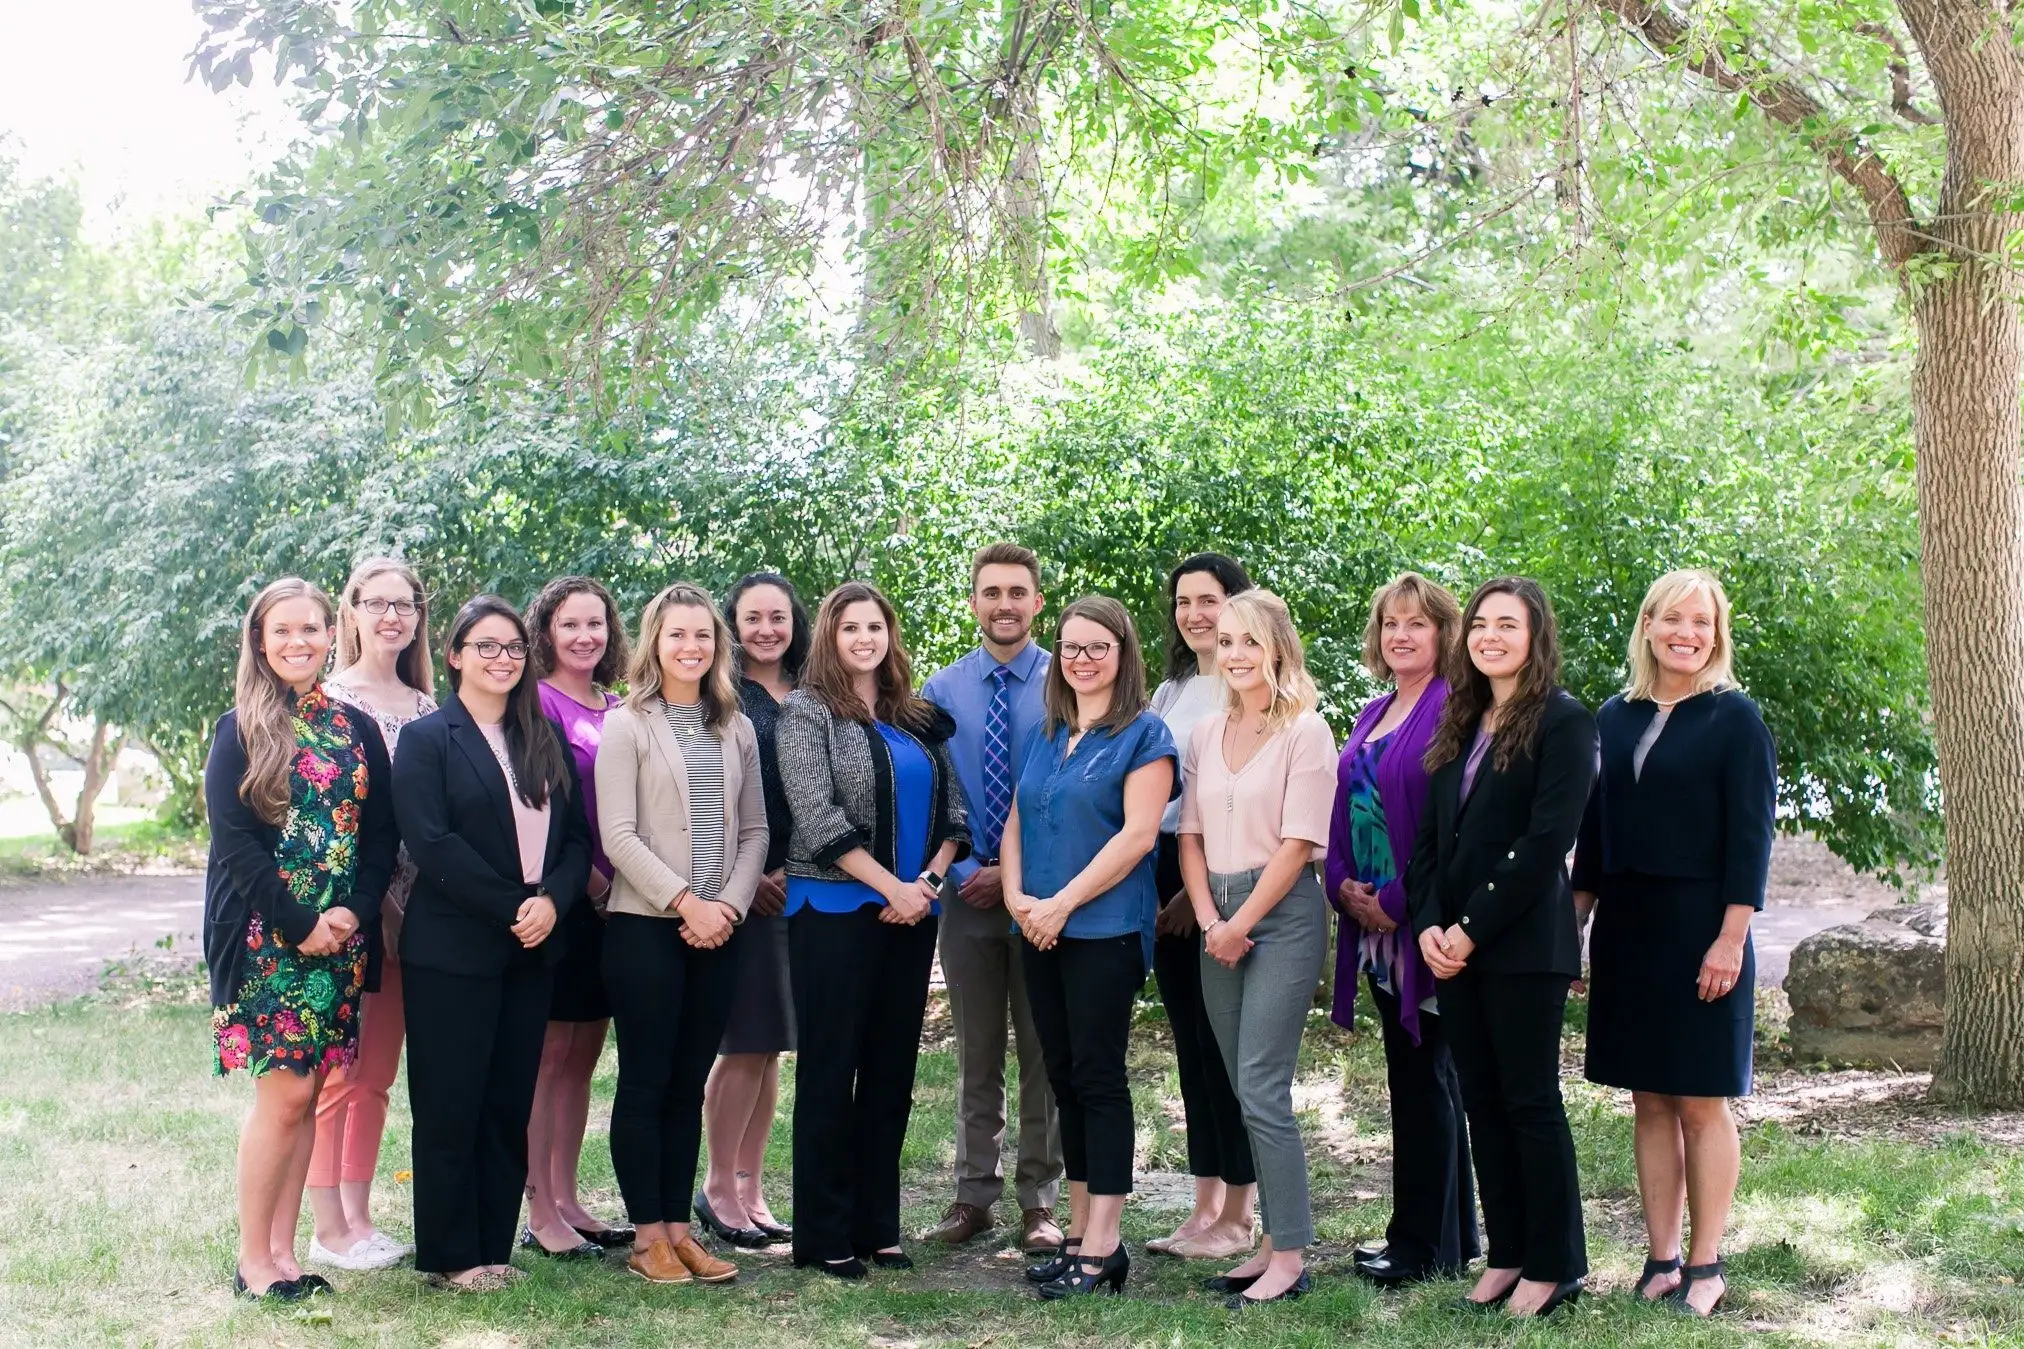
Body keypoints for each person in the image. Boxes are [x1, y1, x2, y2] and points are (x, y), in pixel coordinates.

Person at [1573, 569, 1774, 1317]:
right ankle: (1660, 1259)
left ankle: (1707, 1263)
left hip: (1704, 927)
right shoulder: (1612, 717)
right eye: (1673, 619)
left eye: (1703, 621)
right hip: (1628, 926)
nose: (1687, 633)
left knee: (1700, 1099)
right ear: (1648, 624)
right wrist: (1576, 922)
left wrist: (1729, 939)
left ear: (1716, 634)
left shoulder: (1735, 718)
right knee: (1648, 1098)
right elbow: (1594, 834)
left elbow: (1751, 839)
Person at [1407, 577, 1597, 1319]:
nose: (1489, 635)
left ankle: (1555, 1264)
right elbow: (1429, 841)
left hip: (1521, 945)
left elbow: (1546, 839)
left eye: (1506, 625)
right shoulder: (1462, 718)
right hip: (1451, 945)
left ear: (1535, 635)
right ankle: (1510, 1252)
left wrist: (1471, 926)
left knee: (1528, 1101)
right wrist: (1428, 921)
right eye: (1480, 624)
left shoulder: (1565, 721)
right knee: (1481, 1101)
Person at [204, 577, 398, 1301]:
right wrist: (301, 922)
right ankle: (253, 1261)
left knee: (312, 1090)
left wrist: (352, 910)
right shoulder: (239, 729)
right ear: (260, 640)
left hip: (339, 943)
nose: (297, 641)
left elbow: (380, 834)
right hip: (266, 943)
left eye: (310, 628)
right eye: (282, 630)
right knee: (282, 1098)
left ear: (330, 634)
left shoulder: (357, 727)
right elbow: (236, 847)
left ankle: (286, 1256)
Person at [394, 595, 590, 1292]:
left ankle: (490, 1244)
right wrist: (517, 905)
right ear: (454, 655)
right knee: (452, 1101)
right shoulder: (428, 738)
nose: (502, 659)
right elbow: (431, 841)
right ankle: (451, 1255)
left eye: (513, 648)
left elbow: (572, 841)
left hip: (533, 942)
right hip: (453, 946)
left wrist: (553, 903)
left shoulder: (541, 735)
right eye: (486, 646)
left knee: (508, 1098)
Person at [777, 581, 969, 1279]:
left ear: (891, 635)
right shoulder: (806, 712)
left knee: (891, 1071)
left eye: (875, 626)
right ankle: (824, 1233)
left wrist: (926, 885)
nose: (864, 637)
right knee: (832, 1069)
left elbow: (956, 813)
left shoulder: (916, 717)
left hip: (912, 915)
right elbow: (816, 814)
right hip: (832, 911)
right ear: (829, 635)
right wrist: (891, 886)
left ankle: (877, 1226)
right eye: (850, 626)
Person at [1003, 596, 1178, 1300]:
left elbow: (1138, 836)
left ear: (1123, 653)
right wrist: (1018, 899)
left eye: (1096, 647)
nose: (1081, 658)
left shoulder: (1145, 733)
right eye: (1071, 647)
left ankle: (1105, 1245)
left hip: (1102, 929)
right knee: (1065, 1077)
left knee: (1099, 1078)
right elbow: (1015, 816)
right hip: (1036, 924)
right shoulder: (1049, 731)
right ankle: (1078, 1234)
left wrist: (1061, 903)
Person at [596, 582, 769, 1285]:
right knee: (645, 1080)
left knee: (686, 1083)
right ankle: (646, 1237)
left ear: (717, 646)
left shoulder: (737, 726)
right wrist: (684, 901)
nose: (691, 646)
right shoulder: (626, 723)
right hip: (646, 927)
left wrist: (724, 904)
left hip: (720, 931)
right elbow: (617, 833)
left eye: (703, 635)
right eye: (677, 635)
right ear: (653, 643)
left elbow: (756, 830)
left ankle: (678, 1226)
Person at [1177, 590, 1336, 1308]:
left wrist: (1242, 920)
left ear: (1277, 646)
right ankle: (1270, 1239)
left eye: (1250, 641)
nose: (1235, 653)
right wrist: (1212, 917)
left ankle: (1292, 1253)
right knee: (1243, 1089)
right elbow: (1190, 835)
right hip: (1217, 914)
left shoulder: (1307, 730)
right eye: (1227, 641)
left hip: (1284, 912)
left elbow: (1301, 842)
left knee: (1264, 1087)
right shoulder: (1206, 732)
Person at [1324, 572, 1481, 1288]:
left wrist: (1395, 898)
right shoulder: (1375, 709)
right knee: (1419, 1079)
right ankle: (1446, 1238)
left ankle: (1423, 1245)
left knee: (1428, 1079)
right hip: (1378, 926)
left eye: (1417, 623)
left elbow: (1445, 828)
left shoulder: (1455, 710)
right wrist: (1346, 889)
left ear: (1444, 633)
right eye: (1390, 623)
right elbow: (1348, 806)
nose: (1401, 635)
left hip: (1425, 926)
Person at [918, 543, 1065, 1257]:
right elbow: (934, 793)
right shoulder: (941, 691)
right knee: (978, 1050)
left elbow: (1071, 791)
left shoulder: (1069, 680)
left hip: (1042, 896)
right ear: (974, 602)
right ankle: (973, 1194)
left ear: (1038, 601)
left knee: (1043, 1051)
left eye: (1017, 591)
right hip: (967, 894)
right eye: (990, 592)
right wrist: (969, 868)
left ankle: (1040, 1198)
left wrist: (1017, 876)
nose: (1004, 604)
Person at [306, 558, 435, 1273]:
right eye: (377, 602)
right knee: (338, 1074)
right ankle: (327, 1223)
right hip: (353, 916)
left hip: (422, 919)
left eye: (405, 603)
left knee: (378, 1075)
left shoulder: (426, 705)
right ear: (350, 610)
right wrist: (372, 907)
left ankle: (359, 1216)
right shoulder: (327, 701)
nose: (392, 615)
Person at [1146, 552, 1258, 1260]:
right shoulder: (1171, 687)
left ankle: (1240, 1214)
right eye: (1184, 601)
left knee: (1227, 1049)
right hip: (1166, 867)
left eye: (1209, 599)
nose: (1195, 613)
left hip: (1221, 877)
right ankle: (1202, 1205)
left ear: (1239, 605)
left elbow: (1238, 795)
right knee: (1190, 1045)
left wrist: (1199, 894)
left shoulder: (1248, 687)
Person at [696, 573, 809, 1247]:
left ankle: (752, 1186)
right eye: (752, 617)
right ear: (733, 625)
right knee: (744, 1042)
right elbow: (714, 795)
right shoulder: (722, 696)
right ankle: (717, 1187)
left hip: (806, 887)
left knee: (773, 1048)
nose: (767, 628)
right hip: (746, 889)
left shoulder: (810, 691)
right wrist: (751, 875)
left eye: (778, 616)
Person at [523, 576, 633, 1257]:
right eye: (570, 625)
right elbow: (548, 809)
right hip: (567, 898)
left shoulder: (617, 704)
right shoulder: (536, 703)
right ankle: (538, 1206)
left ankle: (568, 1195)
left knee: (585, 1054)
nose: (585, 635)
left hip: (619, 905)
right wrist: (591, 886)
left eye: (595, 623)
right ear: (546, 632)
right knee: (549, 1054)